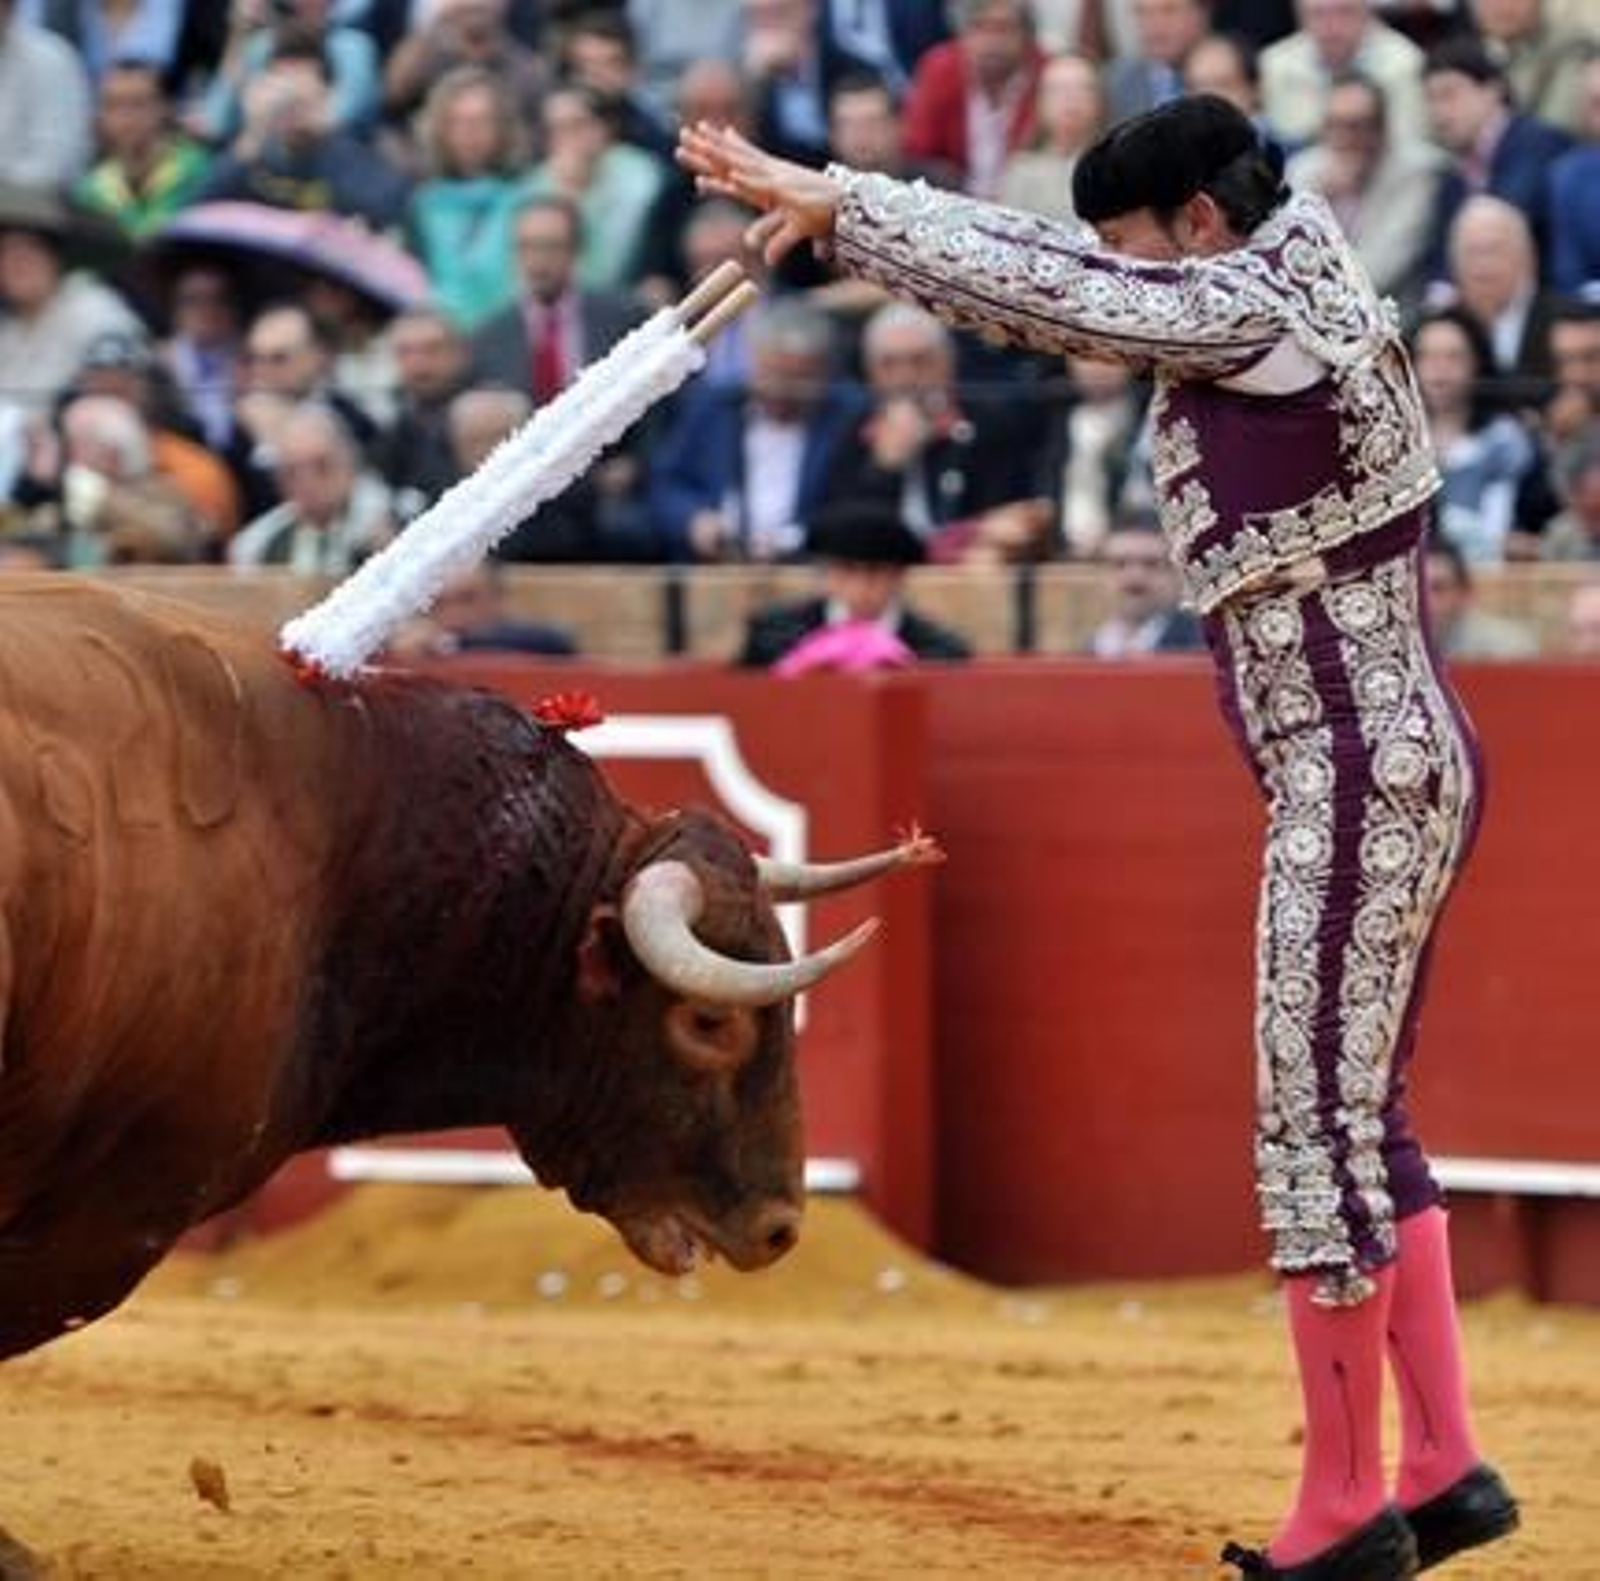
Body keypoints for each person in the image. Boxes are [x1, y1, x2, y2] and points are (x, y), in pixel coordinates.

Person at [681, 90, 1518, 1577]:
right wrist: (853, 205)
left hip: (1355, 767)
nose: (1131, 278)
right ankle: (1443, 1465)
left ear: (1199, 224)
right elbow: (1058, 266)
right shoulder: (1294, 255)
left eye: (1143, 245)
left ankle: (1346, 1509)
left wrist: (853, 208)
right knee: (1355, 1115)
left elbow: (1059, 290)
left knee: (1313, 1129)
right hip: (1382, 753)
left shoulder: (1255, 301)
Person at [736, 500, 973, 670]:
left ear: (899, 576)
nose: (860, 587)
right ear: (827, 573)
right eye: (847, 570)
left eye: (875, 572)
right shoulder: (773, 635)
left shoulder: (939, 651)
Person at [1085, 517, 1206, 654]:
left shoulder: (1205, 650)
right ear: (1099, 575)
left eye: (1151, 564)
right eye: (1120, 564)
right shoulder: (1085, 654)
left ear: (1177, 575)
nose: (1135, 577)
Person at [1422, 536, 1538, 658]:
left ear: (1464, 595)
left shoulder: (1509, 649)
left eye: (1438, 588)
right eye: (1416, 589)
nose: (1424, 601)